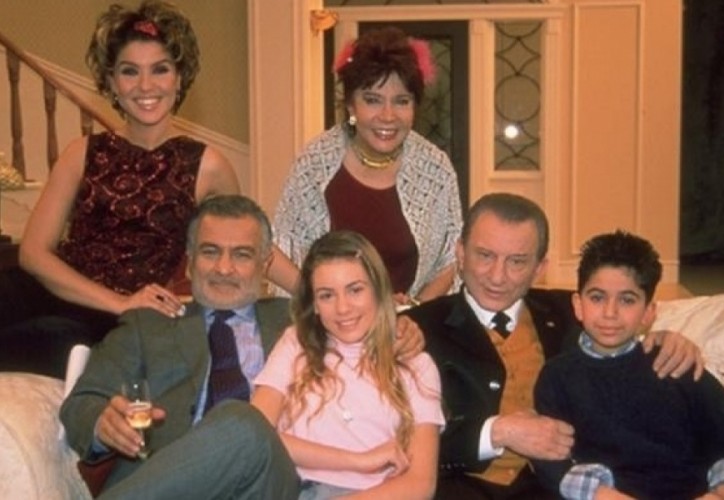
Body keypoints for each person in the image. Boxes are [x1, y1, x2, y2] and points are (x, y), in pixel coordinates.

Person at [404, 192, 703, 499]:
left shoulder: (575, 312)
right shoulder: (415, 328)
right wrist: (496, 433)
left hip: (560, 488)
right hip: (458, 489)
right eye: (485, 256)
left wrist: (664, 340)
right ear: (460, 253)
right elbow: (393, 438)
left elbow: (622, 339)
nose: (497, 276)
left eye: (517, 261)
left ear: (540, 268)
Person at [0, 0, 239, 376]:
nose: (145, 85)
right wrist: (118, 301)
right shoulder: (81, 152)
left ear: (180, 77)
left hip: (107, 326)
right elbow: (33, 253)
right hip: (53, 293)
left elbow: (248, 243)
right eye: (130, 71)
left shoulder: (209, 166)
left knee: (59, 340)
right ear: (111, 82)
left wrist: (311, 284)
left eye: (160, 69)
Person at [60, 194, 297, 498]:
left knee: (247, 421)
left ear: (265, 264)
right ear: (189, 261)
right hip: (172, 485)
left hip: (269, 484)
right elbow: (82, 402)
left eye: (242, 255)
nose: (224, 268)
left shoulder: (297, 323)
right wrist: (102, 423)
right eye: (210, 252)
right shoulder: (148, 325)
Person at [532, 230, 724, 499]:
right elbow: (551, 462)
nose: (610, 313)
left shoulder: (673, 362)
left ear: (648, 313)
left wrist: (723, 494)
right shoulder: (558, 377)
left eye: (627, 300)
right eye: (597, 297)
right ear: (578, 305)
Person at [269, 26, 463, 307]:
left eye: (401, 101)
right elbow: (277, 249)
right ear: (351, 105)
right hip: (328, 321)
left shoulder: (436, 170)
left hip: (407, 325)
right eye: (372, 100)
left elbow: (451, 257)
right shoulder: (314, 164)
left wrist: (413, 309)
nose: (388, 116)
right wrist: (323, 300)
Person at [252, 230, 444, 500]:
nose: (343, 308)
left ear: (379, 290)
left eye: (355, 290)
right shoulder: (296, 343)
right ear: (314, 304)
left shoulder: (416, 364)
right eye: (327, 295)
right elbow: (255, 435)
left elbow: (420, 484)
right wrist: (359, 461)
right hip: (290, 487)